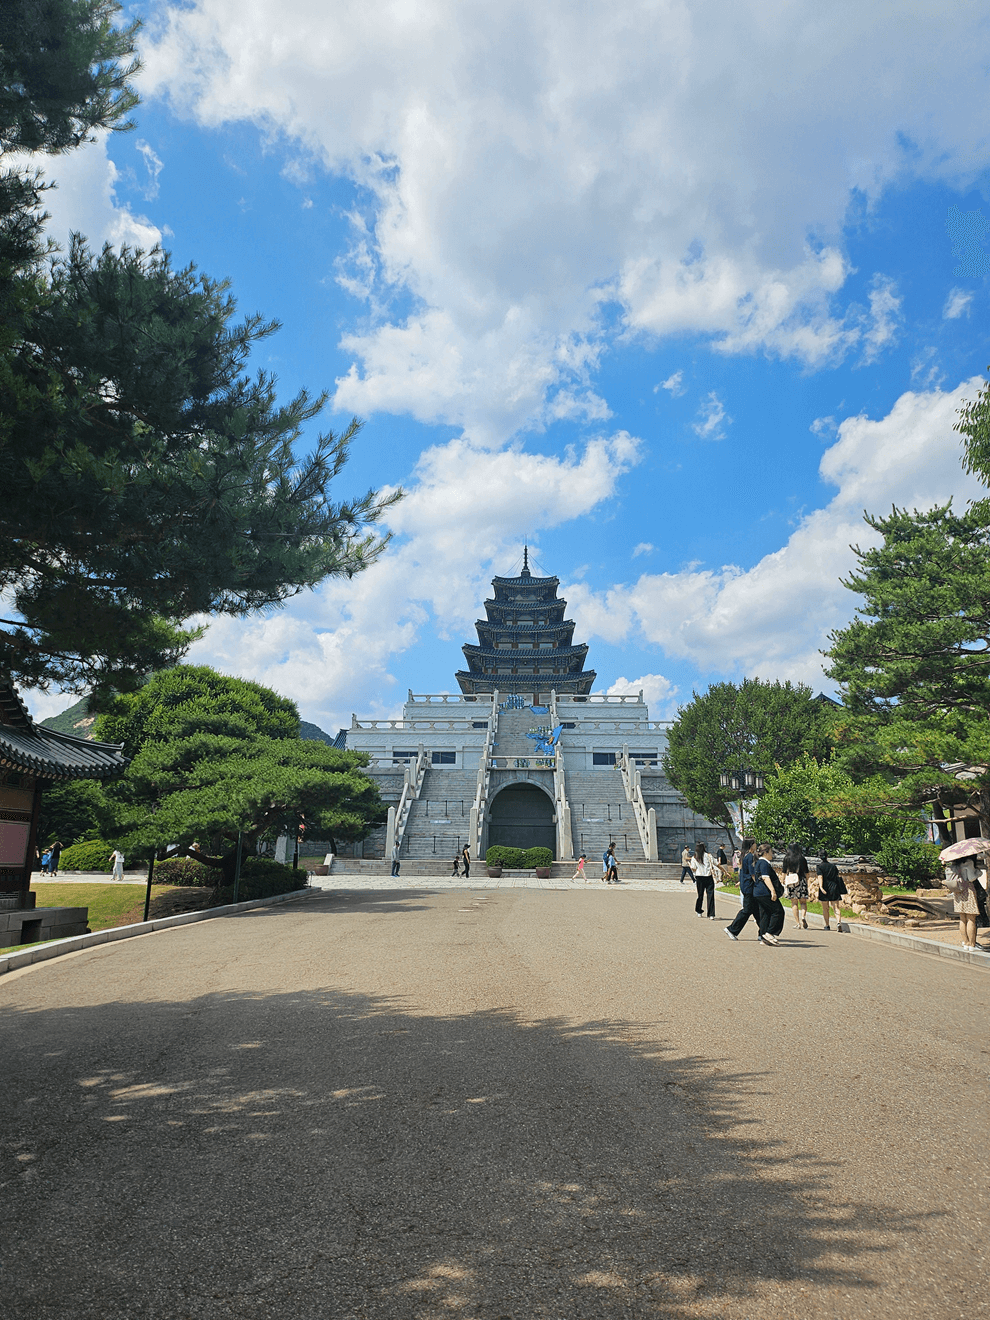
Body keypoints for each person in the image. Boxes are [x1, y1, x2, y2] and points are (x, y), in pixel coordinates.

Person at [946, 856, 985, 949]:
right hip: (968, 890)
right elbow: (971, 878)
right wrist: (978, 872)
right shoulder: (968, 862)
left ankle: (965, 942)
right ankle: (972, 944)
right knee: (971, 918)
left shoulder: (954, 864)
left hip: (958, 891)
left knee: (962, 918)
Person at [725, 840, 757, 940]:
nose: (756, 845)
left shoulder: (744, 856)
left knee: (757, 910)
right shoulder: (750, 857)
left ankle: (764, 932)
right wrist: (759, 884)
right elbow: (752, 874)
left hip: (746, 886)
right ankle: (732, 929)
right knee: (747, 910)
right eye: (755, 843)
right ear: (751, 845)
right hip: (749, 887)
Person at [753, 844, 785, 945]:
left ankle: (764, 936)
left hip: (758, 892)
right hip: (765, 892)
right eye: (771, 852)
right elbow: (765, 877)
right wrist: (773, 891)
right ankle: (770, 932)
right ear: (766, 852)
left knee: (765, 914)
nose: (772, 854)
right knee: (778, 911)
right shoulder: (764, 863)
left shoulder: (759, 862)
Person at [781, 843, 810, 929]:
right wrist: (806, 881)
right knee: (803, 902)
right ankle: (803, 917)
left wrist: (783, 880)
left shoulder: (787, 858)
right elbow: (807, 872)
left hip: (791, 882)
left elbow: (784, 871)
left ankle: (798, 923)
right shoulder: (802, 858)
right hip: (801, 880)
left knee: (794, 903)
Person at [816, 852, 847, 931]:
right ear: (827, 856)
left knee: (825, 908)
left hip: (825, 887)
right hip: (834, 886)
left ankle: (827, 925)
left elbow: (820, 877)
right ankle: (838, 922)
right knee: (836, 907)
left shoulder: (819, 866)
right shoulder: (833, 866)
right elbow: (837, 875)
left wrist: (821, 887)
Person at [689, 841, 717, 919]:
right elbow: (716, 863)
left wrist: (690, 866)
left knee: (700, 895)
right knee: (710, 895)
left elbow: (694, 869)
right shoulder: (708, 856)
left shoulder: (694, 857)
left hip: (699, 878)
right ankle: (711, 914)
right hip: (708, 877)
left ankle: (699, 911)